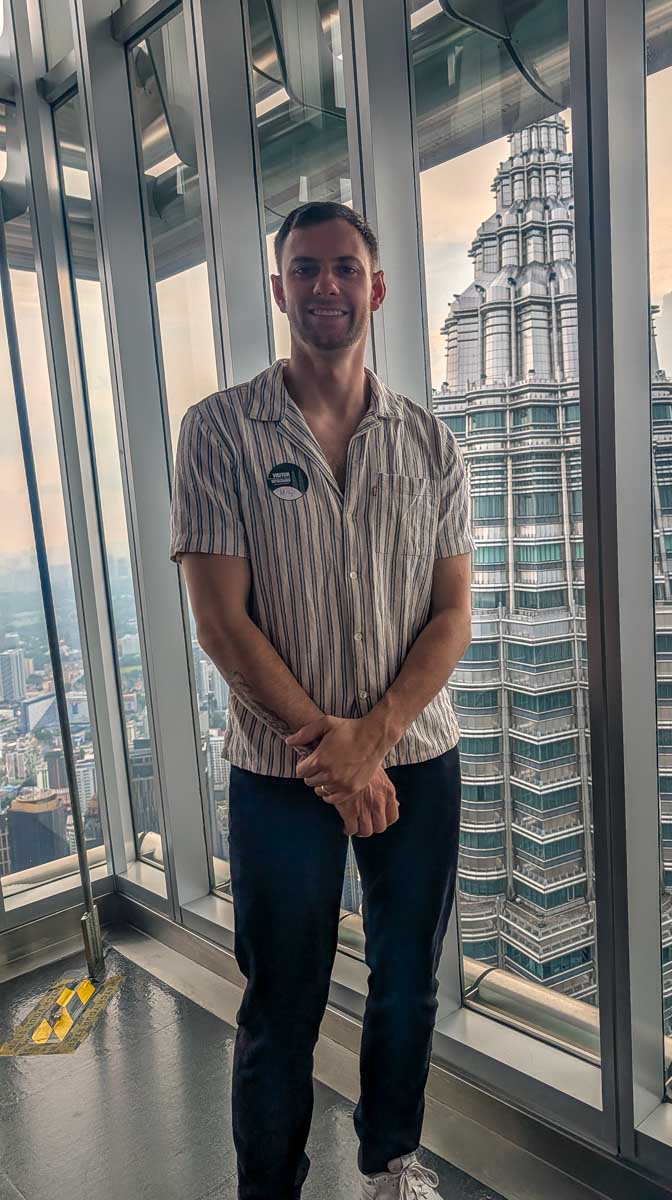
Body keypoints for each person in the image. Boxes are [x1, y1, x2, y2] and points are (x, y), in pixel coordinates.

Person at [168, 201, 474, 1200]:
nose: (326, 286)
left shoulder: (430, 444)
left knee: (407, 987)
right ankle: (271, 1188)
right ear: (279, 290)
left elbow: (452, 615)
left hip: (414, 761)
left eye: (345, 267)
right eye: (305, 270)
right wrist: (330, 755)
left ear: (376, 287)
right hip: (278, 770)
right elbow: (222, 623)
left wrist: (372, 743)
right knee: (281, 999)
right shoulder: (218, 432)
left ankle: (390, 1162)